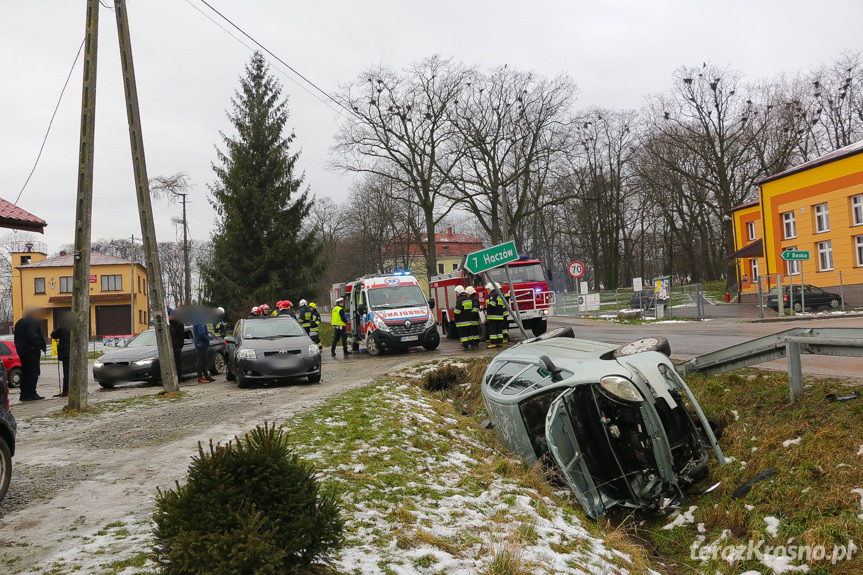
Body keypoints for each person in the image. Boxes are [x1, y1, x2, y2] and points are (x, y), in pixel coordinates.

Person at [14, 308, 47, 401]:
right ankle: (31, 393)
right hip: (31, 350)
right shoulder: (32, 323)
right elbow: (32, 335)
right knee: (33, 372)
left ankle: (24, 393)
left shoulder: (19, 322)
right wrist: (38, 345)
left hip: (22, 350)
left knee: (25, 372)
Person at [50, 313, 72, 397]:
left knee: (66, 373)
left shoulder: (62, 328)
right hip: (74, 353)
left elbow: (53, 335)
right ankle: (76, 389)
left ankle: (66, 390)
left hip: (65, 354)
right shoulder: (75, 328)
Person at [484, 283, 505, 349]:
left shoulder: (493, 295)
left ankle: (493, 343)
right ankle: (499, 342)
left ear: (492, 289)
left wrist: (486, 307)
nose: (487, 291)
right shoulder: (499, 294)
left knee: (493, 330)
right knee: (499, 330)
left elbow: (492, 304)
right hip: (500, 315)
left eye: (488, 289)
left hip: (493, 315)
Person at [453, 285, 473, 351]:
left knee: (463, 335)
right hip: (469, 320)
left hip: (461, 321)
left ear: (459, 292)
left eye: (456, 292)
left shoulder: (459, 300)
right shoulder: (469, 299)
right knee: (469, 334)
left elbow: (457, 311)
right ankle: (472, 345)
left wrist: (455, 318)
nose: (456, 294)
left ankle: (466, 347)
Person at [169, 308, 185, 381]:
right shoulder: (170, 324)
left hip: (176, 346)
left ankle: (179, 378)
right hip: (171, 346)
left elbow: (181, 335)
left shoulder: (179, 324)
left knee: (177, 363)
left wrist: (179, 345)